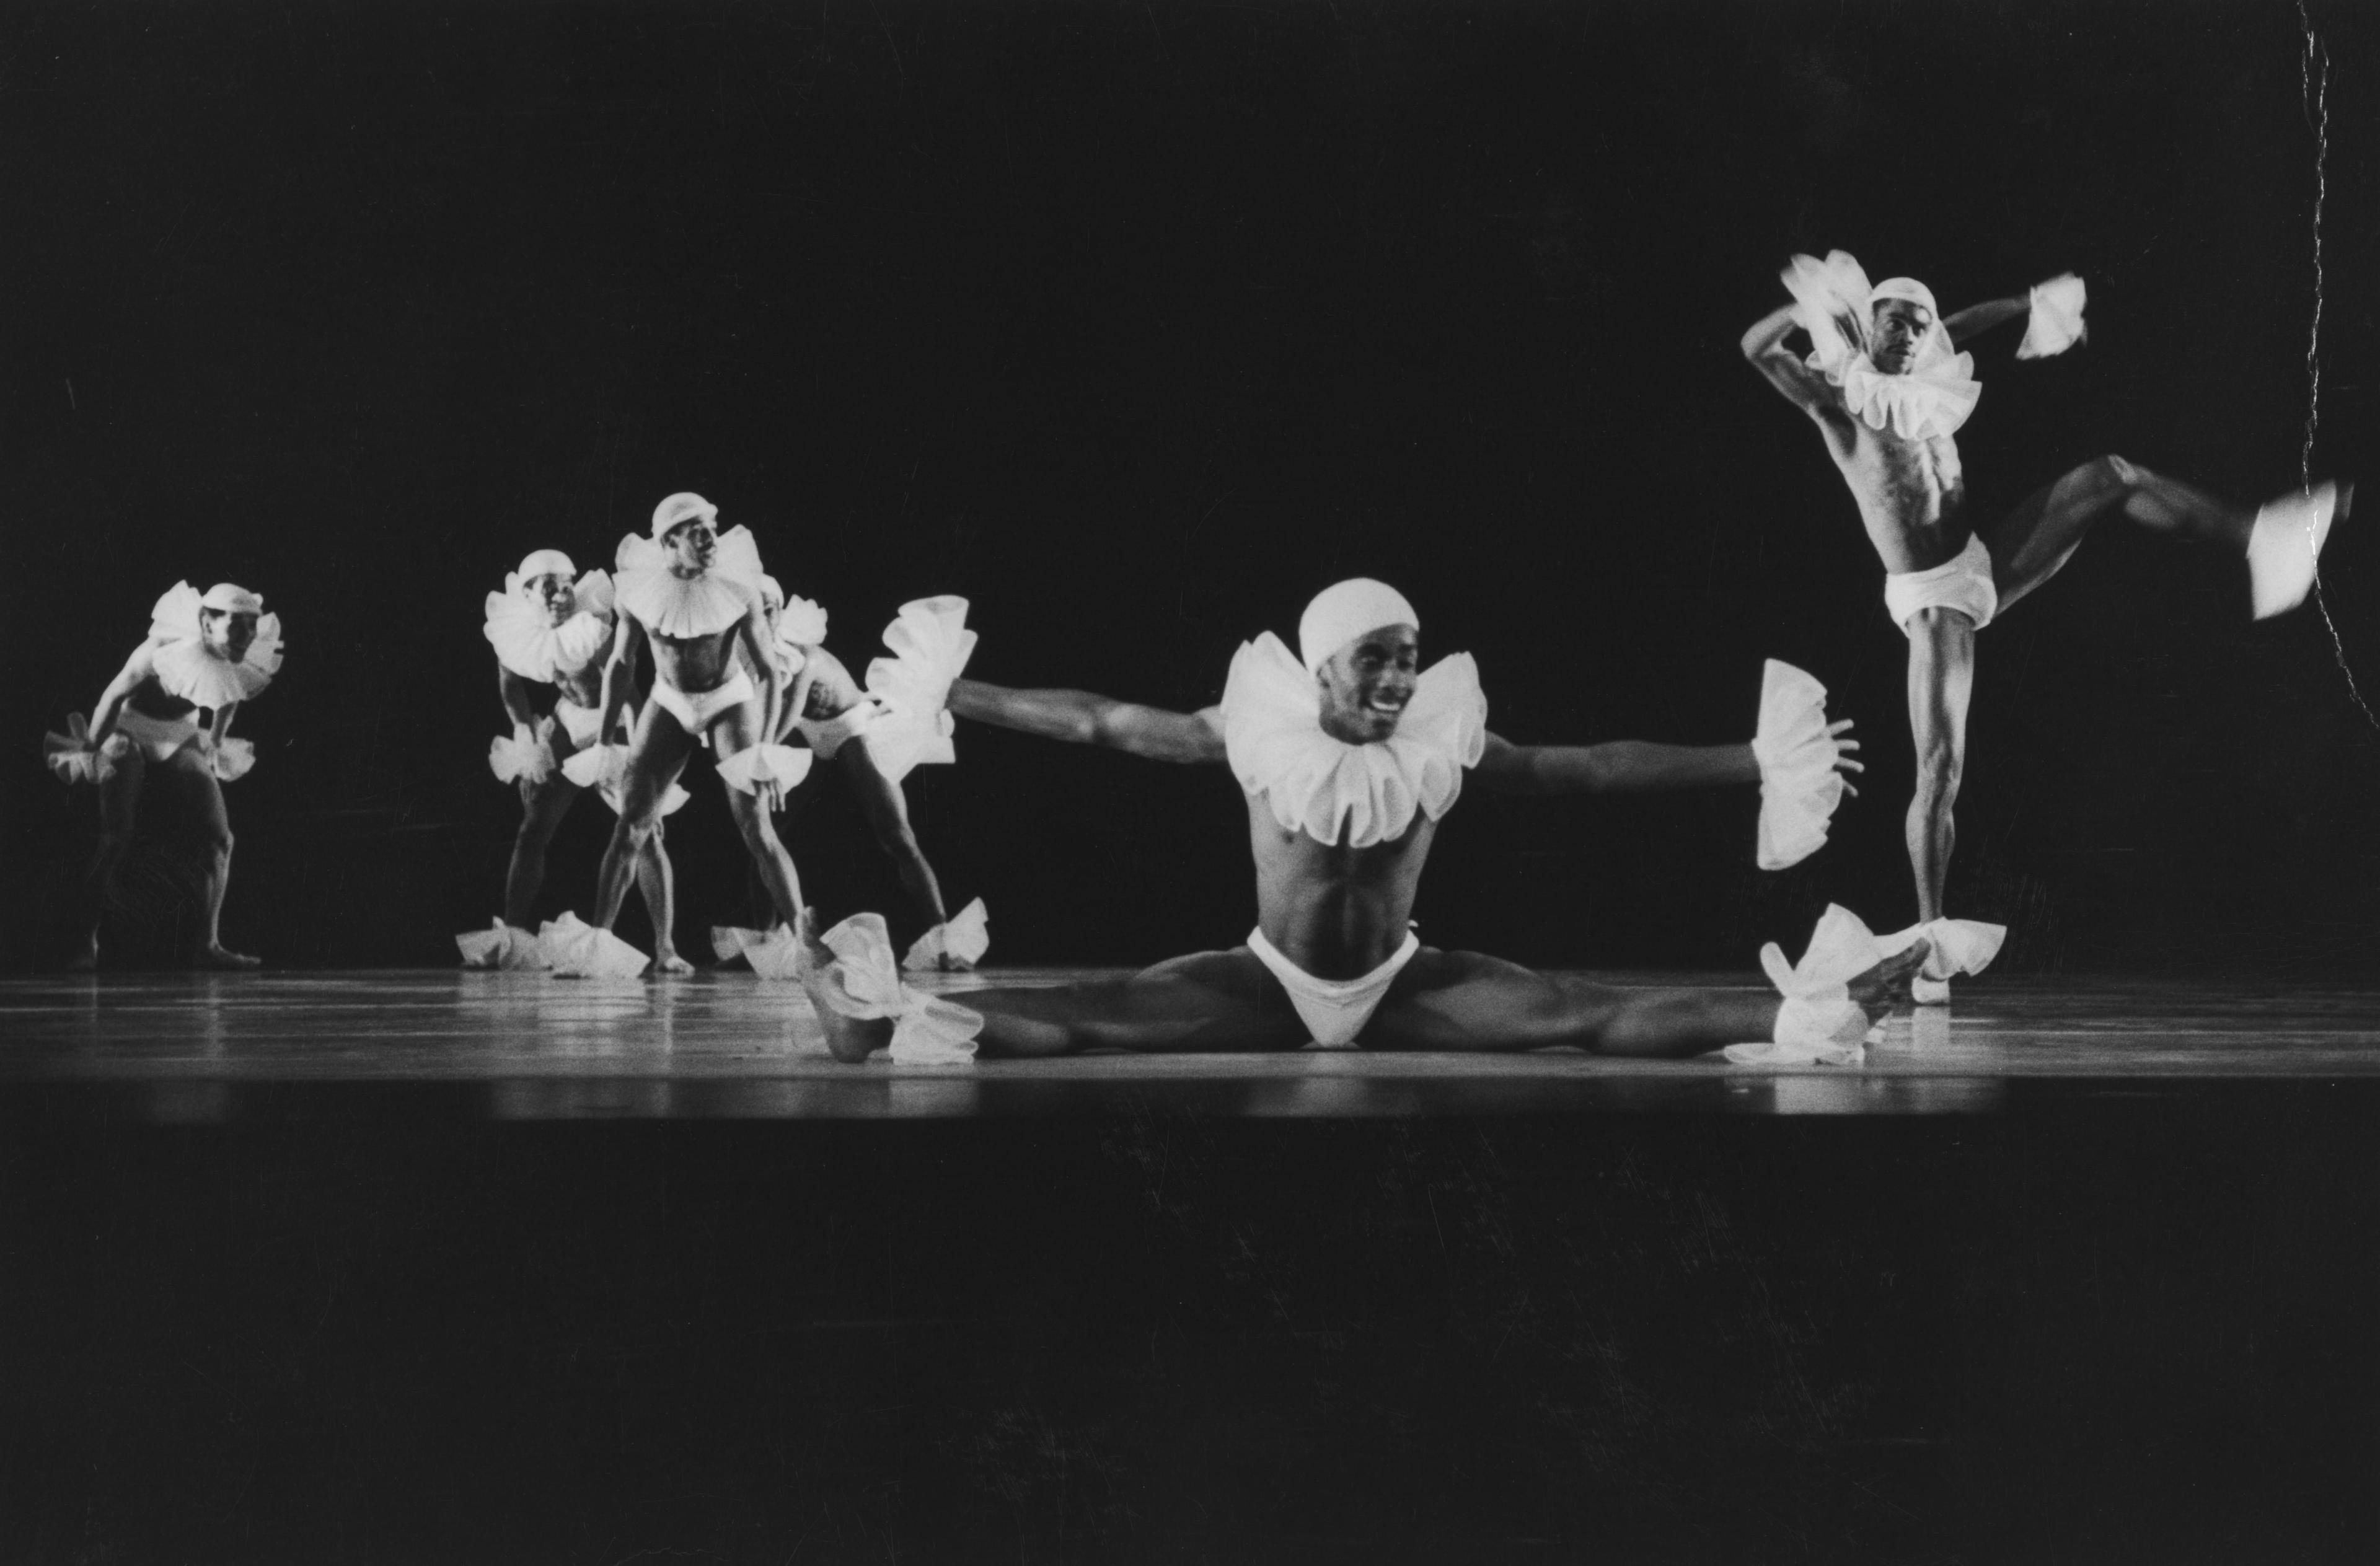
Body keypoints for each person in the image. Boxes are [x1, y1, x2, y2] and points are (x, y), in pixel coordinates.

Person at [794, 578, 1929, 1062]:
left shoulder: (1441, 739)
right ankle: (878, 1026)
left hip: (1401, 982)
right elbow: (1098, 722)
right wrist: (953, 693)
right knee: (1084, 1017)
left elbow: (1588, 769)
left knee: (1586, 1015)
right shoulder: (1250, 726)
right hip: (1265, 977)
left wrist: (1756, 757)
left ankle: (1815, 1014)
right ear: (1323, 665)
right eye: (1376, 661)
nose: (1398, 679)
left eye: (1410, 660)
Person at [1742, 251, 2350, 1000]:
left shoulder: (1926, 377)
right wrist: (1807, 307)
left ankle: (2264, 536)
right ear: (1865, 326)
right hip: (1933, 598)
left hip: (1979, 562)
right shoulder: (1840, 399)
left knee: (2113, 475)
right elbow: (1757, 350)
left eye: (1917, 322)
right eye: (1893, 319)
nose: (1908, 332)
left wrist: (2029, 302)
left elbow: (1957, 324)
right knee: (1939, 772)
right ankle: (1931, 942)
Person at [545, 492, 808, 977]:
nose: (710, 538)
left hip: (729, 698)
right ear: (669, 541)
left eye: (712, 527)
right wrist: (605, 741)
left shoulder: (739, 586)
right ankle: (606, 947)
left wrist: (766, 750)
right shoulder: (637, 590)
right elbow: (622, 665)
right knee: (632, 824)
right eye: (697, 531)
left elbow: (769, 672)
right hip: (670, 701)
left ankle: (806, 945)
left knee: (755, 825)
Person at [725, 581, 985, 971]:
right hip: (813, 737)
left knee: (896, 836)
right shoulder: (753, 657)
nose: (763, 619)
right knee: (761, 832)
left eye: (770, 610)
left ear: (781, 612)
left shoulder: (806, 657)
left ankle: (944, 938)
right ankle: (766, 943)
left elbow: (786, 716)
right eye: (754, 613)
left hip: (853, 728)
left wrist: (758, 759)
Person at [456, 548, 690, 973]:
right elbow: (511, 688)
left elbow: (630, 695)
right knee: (532, 827)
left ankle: (666, 947)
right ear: (528, 593)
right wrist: (528, 740)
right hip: (568, 721)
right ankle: (511, 937)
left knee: (645, 834)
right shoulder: (515, 629)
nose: (563, 595)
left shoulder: (592, 627)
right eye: (551, 588)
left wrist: (644, 770)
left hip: (616, 721)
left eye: (567, 586)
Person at [45, 581, 283, 970]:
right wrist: (92, 747)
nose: (247, 637)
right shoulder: (159, 651)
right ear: (207, 622)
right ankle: (83, 942)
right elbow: (113, 696)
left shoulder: (238, 655)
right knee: (117, 838)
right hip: (129, 729)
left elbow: (228, 698)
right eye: (237, 626)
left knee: (220, 840)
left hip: (181, 733)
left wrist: (216, 743)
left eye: (251, 627)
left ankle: (207, 944)